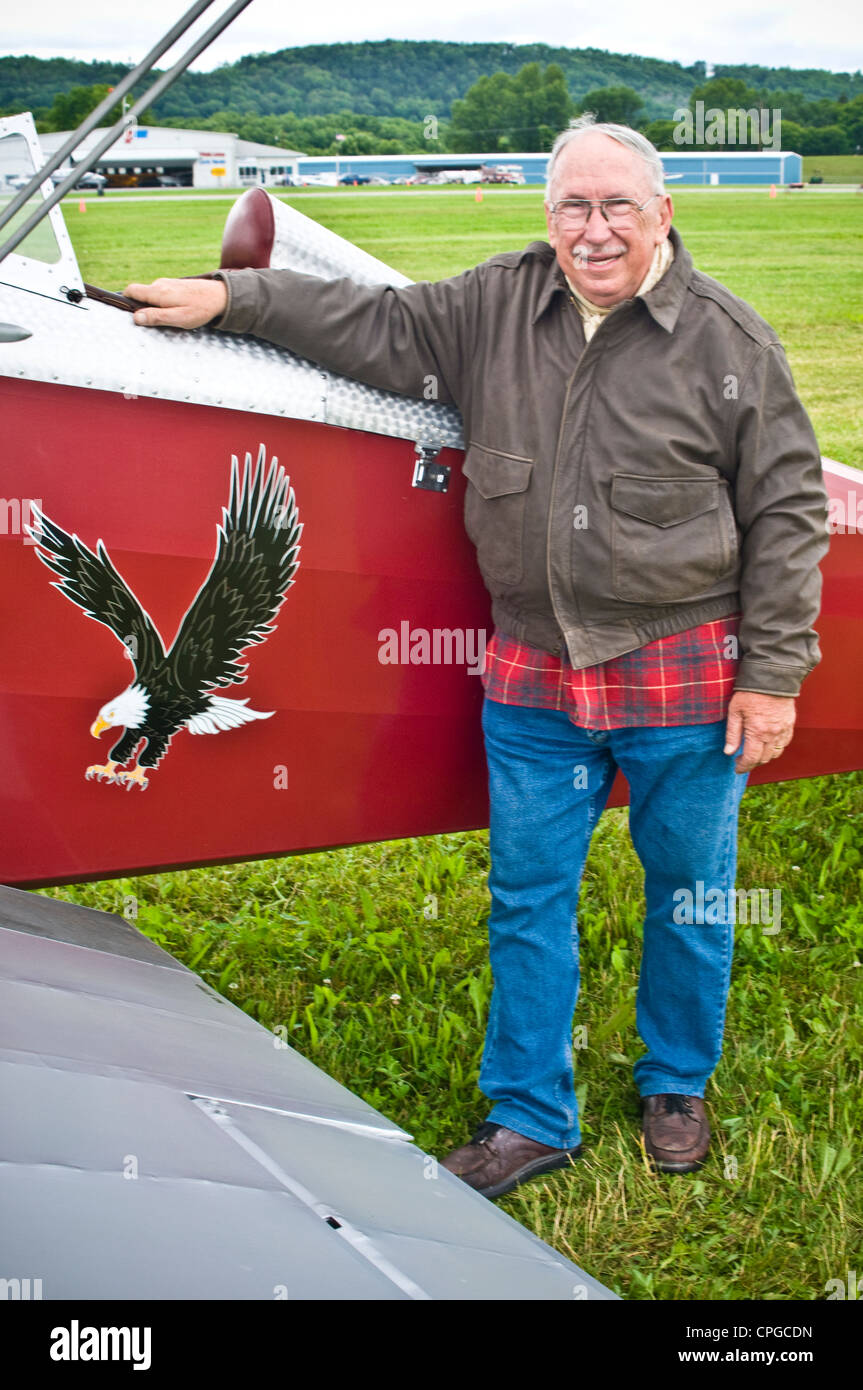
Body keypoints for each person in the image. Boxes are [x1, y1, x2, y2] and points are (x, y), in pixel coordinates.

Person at [126, 116, 829, 1199]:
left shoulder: (731, 343)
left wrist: (773, 675)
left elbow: (785, 512)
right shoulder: (493, 304)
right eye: (571, 208)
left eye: (615, 208)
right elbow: (374, 324)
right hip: (534, 669)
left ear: (661, 213)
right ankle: (529, 1114)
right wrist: (235, 298)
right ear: (546, 215)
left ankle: (675, 1082)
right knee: (525, 894)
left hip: (680, 665)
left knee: (690, 888)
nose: (592, 232)